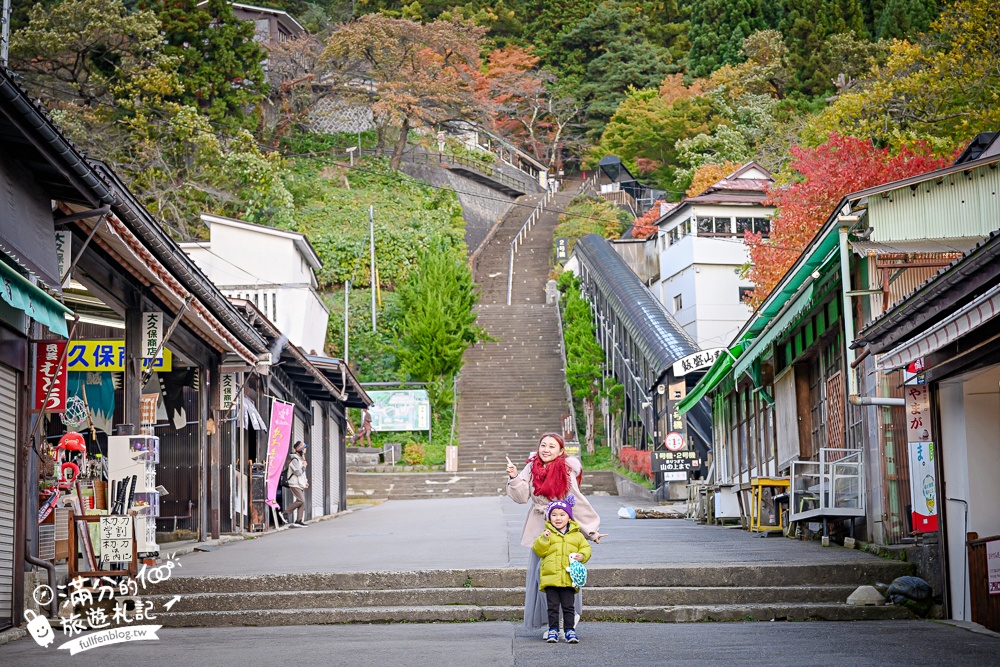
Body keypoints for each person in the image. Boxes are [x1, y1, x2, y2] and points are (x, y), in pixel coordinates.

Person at [506, 433, 606, 635]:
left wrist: (591, 531)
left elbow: (576, 501)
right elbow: (522, 496)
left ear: (561, 451)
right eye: (543, 445)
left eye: (552, 446)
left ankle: (568, 619)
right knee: (542, 577)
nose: (546, 450)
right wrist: (515, 477)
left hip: (562, 527)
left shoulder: (565, 470)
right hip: (540, 529)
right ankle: (551, 623)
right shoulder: (531, 467)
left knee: (566, 574)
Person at [533, 496, 591, 644]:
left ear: (569, 517)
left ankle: (569, 630)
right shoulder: (547, 533)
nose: (558, 518)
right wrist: (544, 539)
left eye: (562, 515)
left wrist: (582, 555)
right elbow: (539, 550)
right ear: (549, 517)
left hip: (568, 578)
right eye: (554, 515)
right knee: (552, 607)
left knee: (568, 606)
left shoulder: (577, 535)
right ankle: (553, 630)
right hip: (551, 578)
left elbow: (586, 548)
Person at [285, 441, 309, 527]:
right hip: (294, 483)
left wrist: (305, 482)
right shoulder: (295, 459)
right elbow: (298, 472)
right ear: (300, 449)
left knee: (302, 502)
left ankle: (299, 520)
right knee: (301, 500)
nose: (305, 449)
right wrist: (304, 466)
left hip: (300, 483)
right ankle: (285, 513)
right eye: (304, 448)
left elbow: (303, 474)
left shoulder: (301, 459)